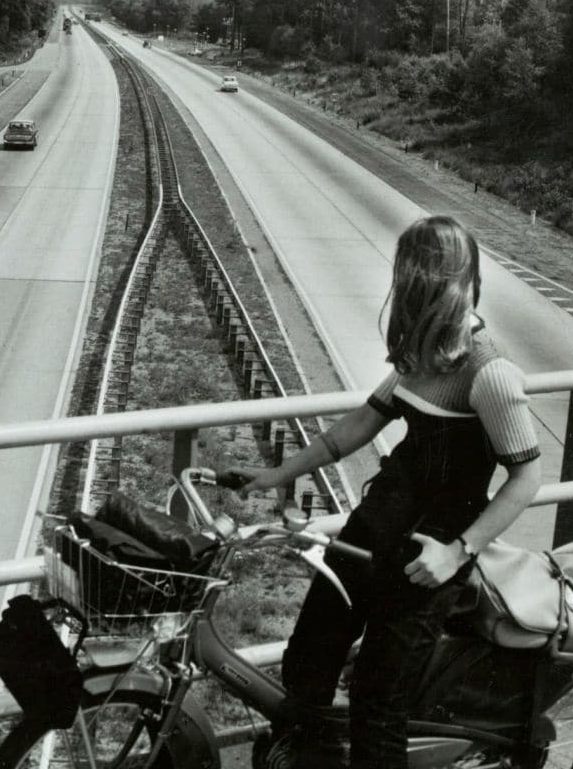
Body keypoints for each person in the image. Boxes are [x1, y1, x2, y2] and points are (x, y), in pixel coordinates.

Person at [218, 215, 542, 768]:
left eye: (409, 273)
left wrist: (457, 552)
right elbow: (357, 427)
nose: (401, 284)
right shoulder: (420, 354)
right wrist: (274, 475)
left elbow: (527, 478)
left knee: (378, 703)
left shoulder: (488, 372)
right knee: (308, 659)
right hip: (372, 530)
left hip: (426, 556)